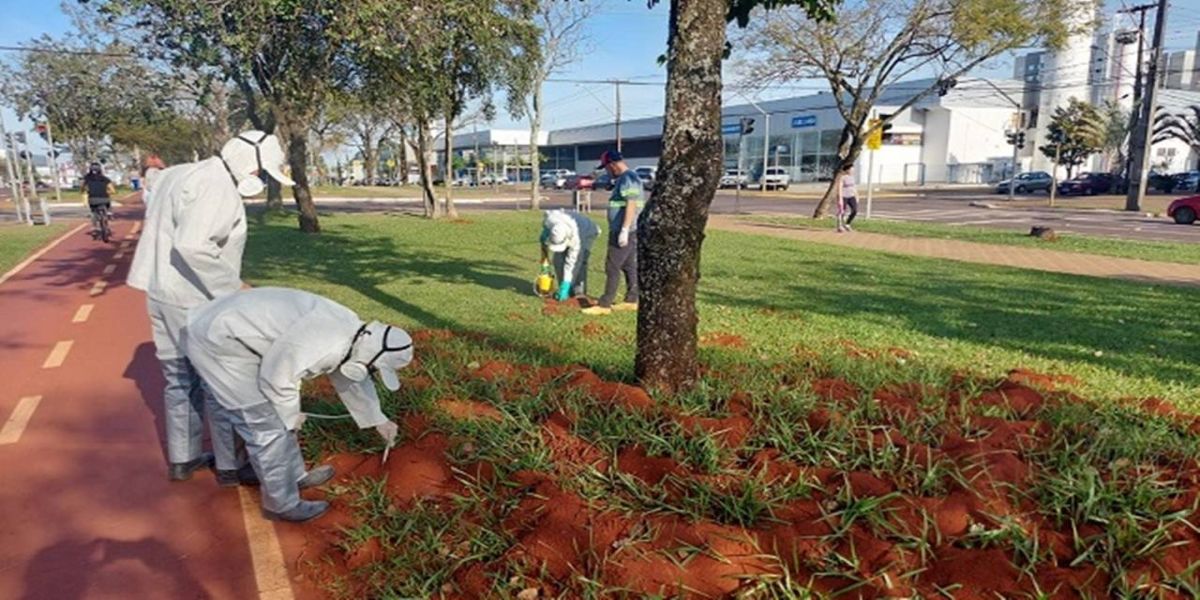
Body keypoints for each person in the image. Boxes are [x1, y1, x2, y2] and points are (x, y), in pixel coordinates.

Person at [127, 131, 295, 484]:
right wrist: (235, 288)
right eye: (262, 175)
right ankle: (230, 465)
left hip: (160, 291)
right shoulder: (217, 187)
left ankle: (183, 459)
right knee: (220, 381)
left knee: (178, 379)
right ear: (251, 166)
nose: (261, 182)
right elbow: (192, 246)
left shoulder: (180, 173)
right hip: (194, 298)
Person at [184, 287, 407, 522]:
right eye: (375, 368)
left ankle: (289, 475)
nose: (371, 371)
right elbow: (278, 377)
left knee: (275, 418)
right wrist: (291, 415)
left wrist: (377, 419)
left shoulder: (354, 333)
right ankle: (281, 504)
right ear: (371, 355)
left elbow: (348, 375)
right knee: (266, 423)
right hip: (219, 341)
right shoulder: (326, 342)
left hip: (230, 329)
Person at [582, 150, 641, 316]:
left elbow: (631, 203)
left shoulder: (628, 178)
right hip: (629, 230)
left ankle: (605, 304)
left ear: (613, 164)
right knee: (629, 265)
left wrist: (624, 229)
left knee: (612, 266)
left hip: (624, 231)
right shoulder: (626, 178)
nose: (606, 171)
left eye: (607, 167)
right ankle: (631, 300)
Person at [540, 209, 600, 301]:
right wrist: (546, 232)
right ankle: (563, 288)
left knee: (579, 263)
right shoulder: (551, 219)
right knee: (558, 260)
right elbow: (546, 220)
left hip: (587, 232)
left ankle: (579, 291)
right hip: (569, 227)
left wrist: (566, 284)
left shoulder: (576, 239)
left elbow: (572, 263)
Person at [81, 163, 115, 238]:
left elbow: (83, 187)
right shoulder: (105, 179)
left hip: (93, 199)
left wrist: (83, 191)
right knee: (108, 204)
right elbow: (113, 190)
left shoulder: (87, 178)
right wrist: (107, 192)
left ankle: (95, 226)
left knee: (93, 212)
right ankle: (109, 213)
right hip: (104, 199)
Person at [837, 166, 859, 233]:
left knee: (855, 210)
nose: (852, 171)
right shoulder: (843, 178)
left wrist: (857, 195)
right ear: (847, 170)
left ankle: (847, 224)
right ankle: (840, 226)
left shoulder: (852, 178)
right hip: (844, 196)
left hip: (851, 196)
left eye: (853, 170)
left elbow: (854, 187)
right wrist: (840, 198)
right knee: (842, 211)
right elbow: (840, 188)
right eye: (851, 170)